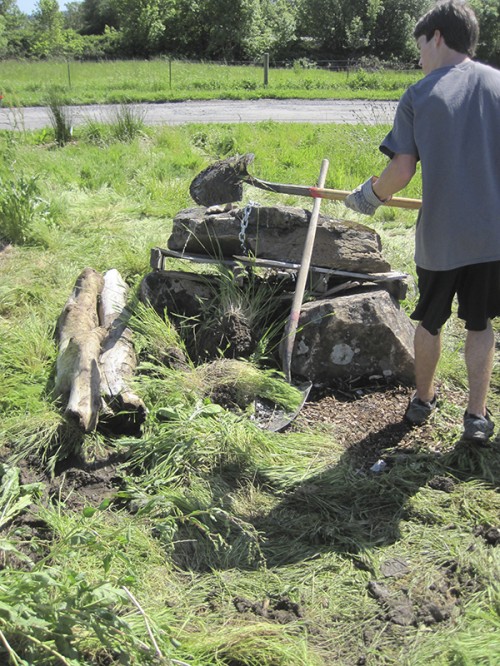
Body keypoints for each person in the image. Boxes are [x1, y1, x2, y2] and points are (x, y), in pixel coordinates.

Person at [344, 0, 500, 443]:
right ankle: (476, 417)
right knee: (481, 324)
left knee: (429, 322)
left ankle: (423, 400)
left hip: (442, 237)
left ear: (436, 36)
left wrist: (369, 196)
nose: (419, 58)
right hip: (493, 236)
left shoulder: (419, 94)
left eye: (419, 47)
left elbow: (402, 171)